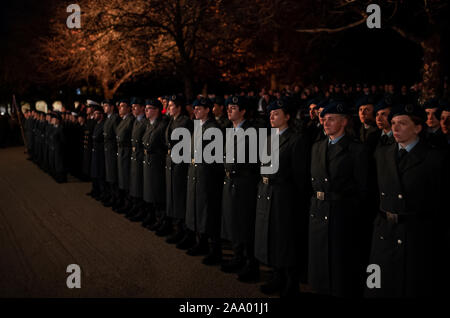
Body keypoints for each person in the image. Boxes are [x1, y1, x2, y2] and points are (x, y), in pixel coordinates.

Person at [366, 103, 449, 298]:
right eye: (393, 123)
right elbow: (372, 193)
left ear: (418, 128)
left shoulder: (435, 159)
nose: (395, 128)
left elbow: (441, 203)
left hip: (417, 236)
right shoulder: (382, 154)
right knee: (378, 286)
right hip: (384, 233)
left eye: (402, 123)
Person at [308, 101, 370, 298]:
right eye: (324, 119)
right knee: (319, 257)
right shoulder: (317, 147)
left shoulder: (356, 150)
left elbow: (364, 188)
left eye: (331, 119)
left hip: (343, 211)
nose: (326, 123)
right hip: (319, 209)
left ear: (344, 122)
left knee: (340, 260)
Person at [254, 97, 311, 298]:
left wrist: (296, 202)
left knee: (286, 239)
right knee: (271, 236)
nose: (271, 116)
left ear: (287, 116)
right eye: (270, 113)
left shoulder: (296, 139)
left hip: (286, 195)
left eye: (276, 113)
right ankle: (276, 276)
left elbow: (300, 176)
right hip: (267, 192)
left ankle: (290, 281)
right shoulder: (269, 137)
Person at [220, 95, 260, 282]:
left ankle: (251, 263)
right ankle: (238, 256)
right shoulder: (228, 129)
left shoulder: (252, 131)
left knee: (245, 223)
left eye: (234, 108)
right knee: (232, 220)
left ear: (243, 111)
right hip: (230, 180)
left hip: (245, 182)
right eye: (228, 107)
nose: (229, 110)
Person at [185, 97, 224, 265]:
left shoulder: (213, 128)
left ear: (208, 109)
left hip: (207, 175)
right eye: (194, 109)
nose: (195, 111)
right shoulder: (198, 126)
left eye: (199, 108)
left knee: (209, 213)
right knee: (197, 209)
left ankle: (215, 250)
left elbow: (215, 158)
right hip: (196, 172)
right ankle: (200, 242)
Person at [158, 95, 194, 243]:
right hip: (172, 161)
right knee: (172, 195)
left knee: (179, 196)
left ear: (179, 108)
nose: (169, 108)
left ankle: (184, 231)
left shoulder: (185, 122)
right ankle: (177, 227)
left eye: (172, 105)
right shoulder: (172, 120)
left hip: (180, 163)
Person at [134, 99, 169, 227]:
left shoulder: (162, 124)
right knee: (150, 190)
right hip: (149, 160)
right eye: (146, 108)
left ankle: (162, 220)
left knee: (157, 191)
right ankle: (153, 216)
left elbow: (159, 144)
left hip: (157, 161)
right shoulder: (149, 124)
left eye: (149, 108)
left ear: (157, 110)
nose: (146, 110)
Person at [125, 97, 148, 220]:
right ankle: (136, 207)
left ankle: (141, 210)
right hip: (135, 156)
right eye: (132, 107)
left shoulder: (144, 122)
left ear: (142, 108)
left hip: (140, 156)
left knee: (139, 184)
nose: (133, 109)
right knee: (135, 183)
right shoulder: (136, 121)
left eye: (135, 106)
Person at [113, 100, 135, 214]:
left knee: (126, 178)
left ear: (128, 108)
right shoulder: (124, 120)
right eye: (119, 106)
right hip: (121, 150)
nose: (120, 108)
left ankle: (129, 204)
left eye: (122, 106)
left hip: (126, 150)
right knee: (122, 178)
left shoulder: (130, 120)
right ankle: (124, 202)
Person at [102, 99, 121, 207]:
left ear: (112, 107)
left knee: (113, 176)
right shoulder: (108, 118)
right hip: (108, 149)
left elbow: (116, 136)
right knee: (109, 175)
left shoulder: (115, 118)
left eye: (106, 105)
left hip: (112, 150)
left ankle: (116, 198)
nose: (104, 107)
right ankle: (111, 196)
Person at [90, 105, 106, 200]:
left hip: (100, 152)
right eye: (94, 113)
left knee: (100, 173)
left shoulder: (103, 124)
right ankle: (95, 190)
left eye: (97, 114)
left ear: (101, 115)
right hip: (95, 151)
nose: (95, 115)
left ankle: (101, 192)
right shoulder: (96, 124)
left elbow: (97, 137)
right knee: (94, 172)